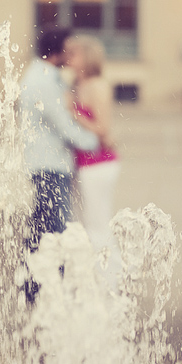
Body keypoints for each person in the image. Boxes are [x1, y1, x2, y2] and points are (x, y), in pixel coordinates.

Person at [18, 28, 99, 279]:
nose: (72, 53)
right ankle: (43, 288)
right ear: (57, 51)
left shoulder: (46, 76)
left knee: (44, 228)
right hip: (48, 165)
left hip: (48, 163)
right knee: (54, 230)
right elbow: (62, 124)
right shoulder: (42, 80)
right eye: (69, 48)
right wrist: (95, 142)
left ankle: (37, 286)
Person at [64, 34, 121, 283]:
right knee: (87, 224)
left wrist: (72, 113)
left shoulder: (98, 85)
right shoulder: (76, 85)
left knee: (98, 224)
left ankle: (110, 281)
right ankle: (93, 277)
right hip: (84, 165)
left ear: (87, 56)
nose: (68, 58)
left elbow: (103, 129)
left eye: (73, 53)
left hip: (99, 165)